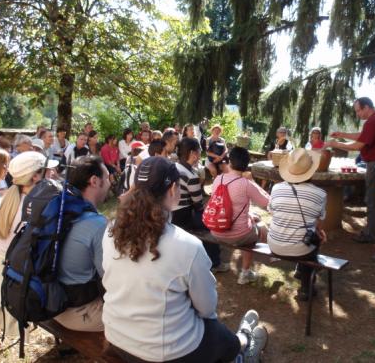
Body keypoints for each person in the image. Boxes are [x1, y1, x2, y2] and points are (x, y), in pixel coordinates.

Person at [103, 156, 268, 363]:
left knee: (213, 332)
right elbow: (207, 309)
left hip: (117, 335)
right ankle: (244, 343)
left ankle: (241, 340)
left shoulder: (111, 229)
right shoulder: (186, 245)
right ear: (173, 189)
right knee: (220, 335)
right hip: (164, 351)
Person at [0, 151, 59, 335]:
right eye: (48, 170)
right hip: (23, 278)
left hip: (7, 268)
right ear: (36, 176)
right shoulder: (35, 205)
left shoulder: (9, 197)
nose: (53, 173)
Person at [325, 97, 375, 243]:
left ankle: (372, 235)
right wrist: (342, 135)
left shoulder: (374, 121)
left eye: (358, 111)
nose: (357, 114)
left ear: (367, 107)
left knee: (372, 199)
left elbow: (357, 146)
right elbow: (362, 136)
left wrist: (335, 144)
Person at [54, 156, 110, 331]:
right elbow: (110, 278)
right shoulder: (97, 224)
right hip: (80, 312)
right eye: (107, 178)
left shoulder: (61, 208)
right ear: (94, 181)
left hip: (53, 302)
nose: (110, 183)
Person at [267, 148, 328, 300]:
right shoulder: (320, 194)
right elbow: (318, 221)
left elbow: (272, 212)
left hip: (274, 243)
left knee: (304, 236)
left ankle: (301, 270)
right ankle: (306, 288)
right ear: (311, 171)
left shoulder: (276, 188)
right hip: (300, 248)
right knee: (313, 239)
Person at [209, 147, 270, 285]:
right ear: (246, 164)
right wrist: (253, 181)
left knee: (252, 217)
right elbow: (268, 203)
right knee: (259, 226)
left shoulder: (218, 179)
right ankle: (245, 273)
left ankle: (246, 270)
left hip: (216, 230)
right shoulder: (246, 184)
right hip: (239, 235)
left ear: (229, 161)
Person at [171, 138, 228, 273]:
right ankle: (215, 262)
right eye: (199, 152)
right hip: (181, 216)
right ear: (193, 153)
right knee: (209, 225)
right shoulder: (190, 175)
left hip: (169, 213)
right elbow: (198, 205)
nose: (200, 155)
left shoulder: (173, 167)